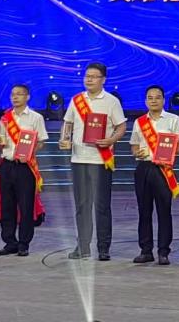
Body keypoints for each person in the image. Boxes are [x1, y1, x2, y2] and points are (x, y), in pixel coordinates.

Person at [61, 62, 126, 260]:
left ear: (103, 79)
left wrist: (111, 140)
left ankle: (103, 248)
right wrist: (65, 138)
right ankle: (82, 246)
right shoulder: (77, 100)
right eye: (87, 76)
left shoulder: (111, 101)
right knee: (82, 206)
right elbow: (68, 123)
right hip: (79, 159)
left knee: (101, 206)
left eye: (93, 76)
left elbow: (121, 127)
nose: (89, 79)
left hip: (101, 161)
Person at [129, 84, 179, 265]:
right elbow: (134, 145)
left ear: (163, 100)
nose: (153, 100)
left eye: (157, 97)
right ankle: (146, 251)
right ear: (146, 101)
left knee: (164, 211)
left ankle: (163, 251)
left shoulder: (173, 120)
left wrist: (169, 153)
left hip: (163, 170)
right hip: (144, 168)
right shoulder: (139, 122)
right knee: (144, 211)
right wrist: (136, 152)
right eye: (150, 98)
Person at [0, 84, 48, 257]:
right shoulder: (5, 119)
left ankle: (24, 243)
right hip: (7, 165)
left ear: (27, 97)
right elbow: (0, 144)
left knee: (26, 206)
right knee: (7, 206)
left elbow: (41, 142)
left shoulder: (36, 118)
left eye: (19, 94)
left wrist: (29, 154)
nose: (15, 97)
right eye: (13, 94)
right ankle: (10, 242)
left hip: (25, 167)